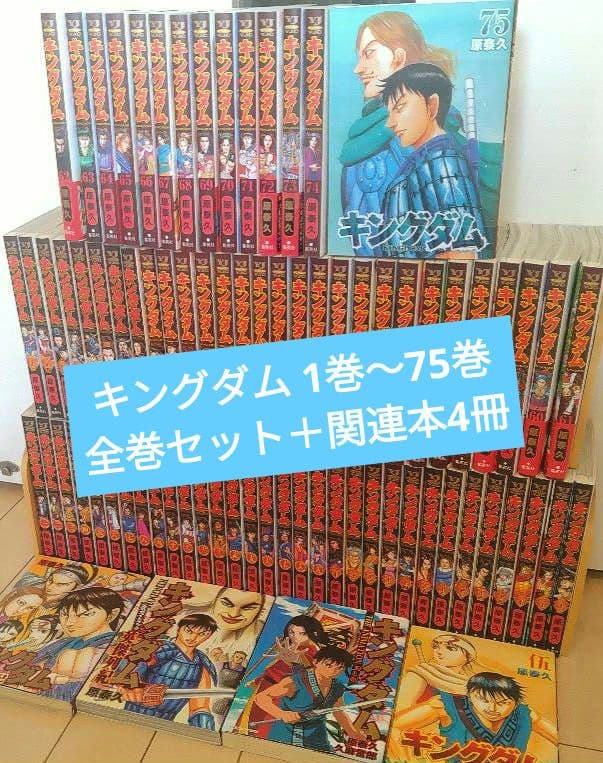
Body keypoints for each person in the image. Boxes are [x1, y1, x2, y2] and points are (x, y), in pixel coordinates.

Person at [340, 11, 456, 255]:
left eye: (369, 53)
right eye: (360, 56)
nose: (358, 69)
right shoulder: (368, 134)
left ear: (399, 57)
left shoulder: (420, 135)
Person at [380, 63, 487, 258]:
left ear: (432, 106)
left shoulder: (443, 162)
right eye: (390, 112)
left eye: (400, 108)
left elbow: (460, 255)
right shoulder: (423, 162)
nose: (390, 123)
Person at [392, 672, 558, 753]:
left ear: (515, 703)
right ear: (470, 696)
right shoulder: (445, 706)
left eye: (502, 703)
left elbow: (559, 739)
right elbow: (395, 726)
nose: (492, 709)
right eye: (483, 700)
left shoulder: (525, 715)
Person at [253, 646, 364, 751]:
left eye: (339, 668)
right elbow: (261, 697)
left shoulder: (337, 687)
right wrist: (281, 714)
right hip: (287, 734)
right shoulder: (295, 681)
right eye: (328, 665)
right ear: (315, 662)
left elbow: (339, 712)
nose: (333, 671)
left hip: (317, 736)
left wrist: (353, 733)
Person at [120, 613, 218, 727]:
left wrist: (205, 729)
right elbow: (129, 667)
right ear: (179, 629)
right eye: (189, 631)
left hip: (163, 725)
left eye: (202, 634)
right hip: (130, 717)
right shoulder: (158, 648)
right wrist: (133, 687)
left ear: (209, 636)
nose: (193, 638)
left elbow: (199, 707)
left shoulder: (201, 664)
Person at [36, 587, 125, 701]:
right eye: (64, 614)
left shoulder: (119, 645)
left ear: (112, 615)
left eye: (85, 614)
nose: (69, 622)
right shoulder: (61, 643)